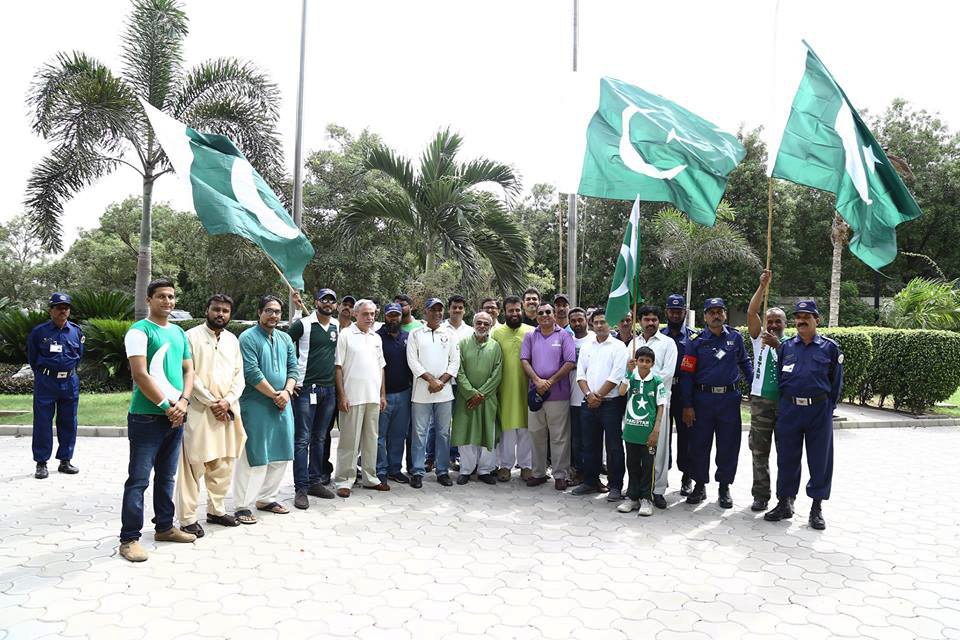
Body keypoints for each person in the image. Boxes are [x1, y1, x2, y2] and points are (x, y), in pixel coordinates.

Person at [119, 278, 196, 562]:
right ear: (148, 300)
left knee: (167, 476)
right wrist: (167, 406)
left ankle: (164, 527)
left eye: (171, 297)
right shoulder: (139, 331)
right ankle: (129, 539)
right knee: (138, 480)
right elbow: (140, 374)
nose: (167, 301)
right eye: (161, 296)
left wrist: (184, 403)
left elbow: (189, 371)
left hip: (176, 415)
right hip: (147, 417)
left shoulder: (178, 332)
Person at [764, 300, 843, 530]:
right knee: (787, 457)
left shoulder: (829, 348)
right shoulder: (787, 346)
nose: (801, 320)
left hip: (818, 410)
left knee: (820, 459)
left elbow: (836, 383)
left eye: (806, 316)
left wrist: (828, 408)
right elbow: (781, 378)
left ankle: (816, 507)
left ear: (816, 320)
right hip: (790, 409)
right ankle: (784, 503)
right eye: (798, 317)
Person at [176, 294, 246, 536]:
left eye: (226, 311)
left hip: (226, 411)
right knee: (193, 465)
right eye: (216, 309)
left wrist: (226, 401)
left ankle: (216, 511)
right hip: (199, 411)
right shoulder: (191, 336)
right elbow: (189, 374)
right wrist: (211, 401)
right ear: (207, 310)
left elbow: (239, 375)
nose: (221, 314)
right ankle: (186, 519)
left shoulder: (232, 340)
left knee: (223, 463)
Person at [680, 297, 753, 509]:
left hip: (729, 400)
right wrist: (687, 405)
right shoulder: (695, 342)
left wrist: (755, 387)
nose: (716, 315)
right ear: (704, 316)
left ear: (725, 314)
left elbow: (745, 363)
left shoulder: (736, 339)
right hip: (702, 400)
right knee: (700, 444)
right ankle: (700, 485)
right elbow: (686, 375)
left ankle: (724, 488)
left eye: (719, 311)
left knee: (728, 446)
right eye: (711, 312)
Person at [233, 295, 297, 523]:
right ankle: (242, 505)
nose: (274, 315)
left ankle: (266, 498)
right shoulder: (248, 338)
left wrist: (286, 393)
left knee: (281, 452)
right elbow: (251, 372)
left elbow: (293, 369)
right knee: (254, 455)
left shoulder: (285, 338)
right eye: (269, 310)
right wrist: (274, 394)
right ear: (259, 312)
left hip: (282, 403)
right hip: (256, 404)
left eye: (277, 311)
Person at [287, 288, 340, 509]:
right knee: (302, 440)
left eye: (331, 300)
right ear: (316, 302)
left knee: (320, 438)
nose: (328, 303)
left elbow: (337, 359)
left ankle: (314, 481)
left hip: (328, 391)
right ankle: (300, 487)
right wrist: (291, 381)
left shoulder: (336, 326)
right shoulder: (304, 325)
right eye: (324, 299)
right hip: (306, 389)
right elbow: (285, 346)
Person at [571, 308, 628, 499]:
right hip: (588, 403)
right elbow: (580, 374)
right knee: (589, 445)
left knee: (613, 446)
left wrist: (598, 396)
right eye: (595, 322)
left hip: (611, 403)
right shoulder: (587, 346)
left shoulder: (619, 346)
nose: (599, 325)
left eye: (602, 322)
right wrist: (589, 395)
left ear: (609, 324)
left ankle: (615, 486)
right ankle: (590, 481)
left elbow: (617, 376)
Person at [27, 292, 84, 479]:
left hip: (70, 381)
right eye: (59, 307)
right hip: (46, 382)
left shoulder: (76, 331)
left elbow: (79, 356)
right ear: (50, 310)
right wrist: (44, 375)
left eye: (66, 307)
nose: (63, 311)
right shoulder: (39, 332)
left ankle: (65, 460)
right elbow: (33, 358)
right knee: (43, 422)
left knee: (69, 421)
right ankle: (41, 463)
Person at [334, 299, 388, 496]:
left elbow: (381, 367)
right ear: (356, 314)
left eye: (373, 314)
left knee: (371, 440)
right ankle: (343, 481)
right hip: (352, 398)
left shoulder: (376, 337)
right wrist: (342, 396)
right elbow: (338, 367)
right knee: (349, 441)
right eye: (366, 314)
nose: (370, 318)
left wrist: (382, 395)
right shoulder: (346, 335)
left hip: (373, 398)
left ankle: (370, 478)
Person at [520, 302, 576, 489]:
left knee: (559, 436)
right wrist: (537, 381)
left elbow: (569, 362)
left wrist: (549, 382)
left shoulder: (564, 335)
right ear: (535, 316)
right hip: (536, 394)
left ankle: (560, 474)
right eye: (540, 312)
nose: (544, 315)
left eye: (548, 312)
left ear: (554, 315)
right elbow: (524, 360)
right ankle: (538, 473)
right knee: (536, 435)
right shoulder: (530, 336)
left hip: (558, 395)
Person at [407, 298, 460, 488]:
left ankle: (443, 470)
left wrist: (441, 382)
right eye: (433, 310)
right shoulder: (415, 333)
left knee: (444, 433)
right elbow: (413, 361)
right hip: (421, 392)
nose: (437, 313)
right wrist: (431, 380)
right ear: (426, 311)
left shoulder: (450, 334)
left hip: (444, 393)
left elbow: (455, 362)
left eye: (440, 310)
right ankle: (418, 471)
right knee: (419, 433)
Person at [747, 271, 787, 512]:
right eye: (769, 321)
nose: (772, 325)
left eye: (777, 322)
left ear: (785, 324)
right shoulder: (758, 339)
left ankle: (785, 498)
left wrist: (779, 346)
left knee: (786, 453)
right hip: (761, 402)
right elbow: (752, 313)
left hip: (785, 403)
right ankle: (761, 495)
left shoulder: (790, 343)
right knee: (759, 452)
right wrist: (762, 286)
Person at [632, 305, 678, 509]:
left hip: (658, 404)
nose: (650, 323)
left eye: (654, 319)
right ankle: (636, 490)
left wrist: (643, 374)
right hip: (635, 407)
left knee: (657, 450)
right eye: (646, 319)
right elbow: (628, 369)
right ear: (640, 321)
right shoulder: (633, 343)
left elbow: (667, 373)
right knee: (635, 450)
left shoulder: (668, 344)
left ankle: (657, 490)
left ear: (659, 321)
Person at [452, 312, 503, 484]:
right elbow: (458, 371)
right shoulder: (463, 344)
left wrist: (481, 394)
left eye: (486, 324)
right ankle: (466, 469)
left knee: (487, 433)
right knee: (466, 433)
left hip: (487, 400)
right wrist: (471, 393)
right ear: (473, 324)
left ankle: (484, 470)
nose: (482, 326)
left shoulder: (495, 347)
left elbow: (497, 374)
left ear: (490, 325)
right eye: (479, 323)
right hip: (466, 399)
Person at [617, 346, 667, 517]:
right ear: (636, 361)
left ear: (652, 364)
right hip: (631, 430)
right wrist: (627, 371)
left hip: (648, 432)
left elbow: (661, 406)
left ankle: (646, 498)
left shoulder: (657, 381)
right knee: (631, 464)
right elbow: (621, 391)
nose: (644, 364)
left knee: (647, 466)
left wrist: (657, 429)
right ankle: (632, 497)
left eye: (648, 361)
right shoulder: (631, 377)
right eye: (641, 360)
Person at [493, 296, 534, 482]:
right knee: (507, 430)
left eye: (518, 310)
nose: (515, 313)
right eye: (511, 310)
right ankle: (505, 466)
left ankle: (527, 466)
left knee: (526, 429)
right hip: (504, 389)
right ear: (504, 312)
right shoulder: (496, 333)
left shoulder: (532, 331)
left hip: (528, 387)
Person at [661, 294, 696, 496]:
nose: (675, 314)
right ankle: (662, 475)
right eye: (672, 310)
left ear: (684, 312)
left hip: (684, 394)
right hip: (664, 392)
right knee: (663, 436)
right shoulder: (660, 336)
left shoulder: (692, 338)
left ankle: (687, 477)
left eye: (679, 311)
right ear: (667, 311)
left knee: (686, 437)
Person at [376, 303, 413, 484]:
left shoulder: (408, 337)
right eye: (390, 315)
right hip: (384, 395)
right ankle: (380, 470)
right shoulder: (376, 337)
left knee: (398, 435)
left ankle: (395, 469)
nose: (394, 318)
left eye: (396, 315)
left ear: (401, 317)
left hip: (404, 393)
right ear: (384, 316)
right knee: (380, 436)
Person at [567, 307, 594, 485]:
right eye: (573, 320)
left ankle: (593, 473)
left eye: (580, 319)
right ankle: (578, 472)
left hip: (592, 397)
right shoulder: (566, 339)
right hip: (572, 397)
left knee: (591, 439)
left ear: (586, 320)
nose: (577, 323)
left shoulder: (594, 339)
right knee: (576, 440)